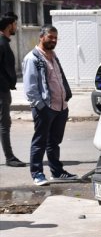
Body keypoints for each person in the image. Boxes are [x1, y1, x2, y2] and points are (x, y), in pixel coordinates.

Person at [22, 25, 77, 186]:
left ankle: (57, 172)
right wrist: (41, 106)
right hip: (45, 108)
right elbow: (30, 88)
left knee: (54, 143)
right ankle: (37, 173)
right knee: (40, 142)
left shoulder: (53, 56)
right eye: (50, 37)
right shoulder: (32, 58)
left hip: (60, 107)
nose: (53, 40)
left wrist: (65, 99)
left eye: (55, 38)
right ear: (41, 37)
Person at [0, 12, 25, 167]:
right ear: (10, 25)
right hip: (1, 91)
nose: (16, 26)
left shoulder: (4, 42)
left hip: (3, 90)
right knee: (4, 124)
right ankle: (9, 157)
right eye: (15, 24)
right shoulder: (1, 43)